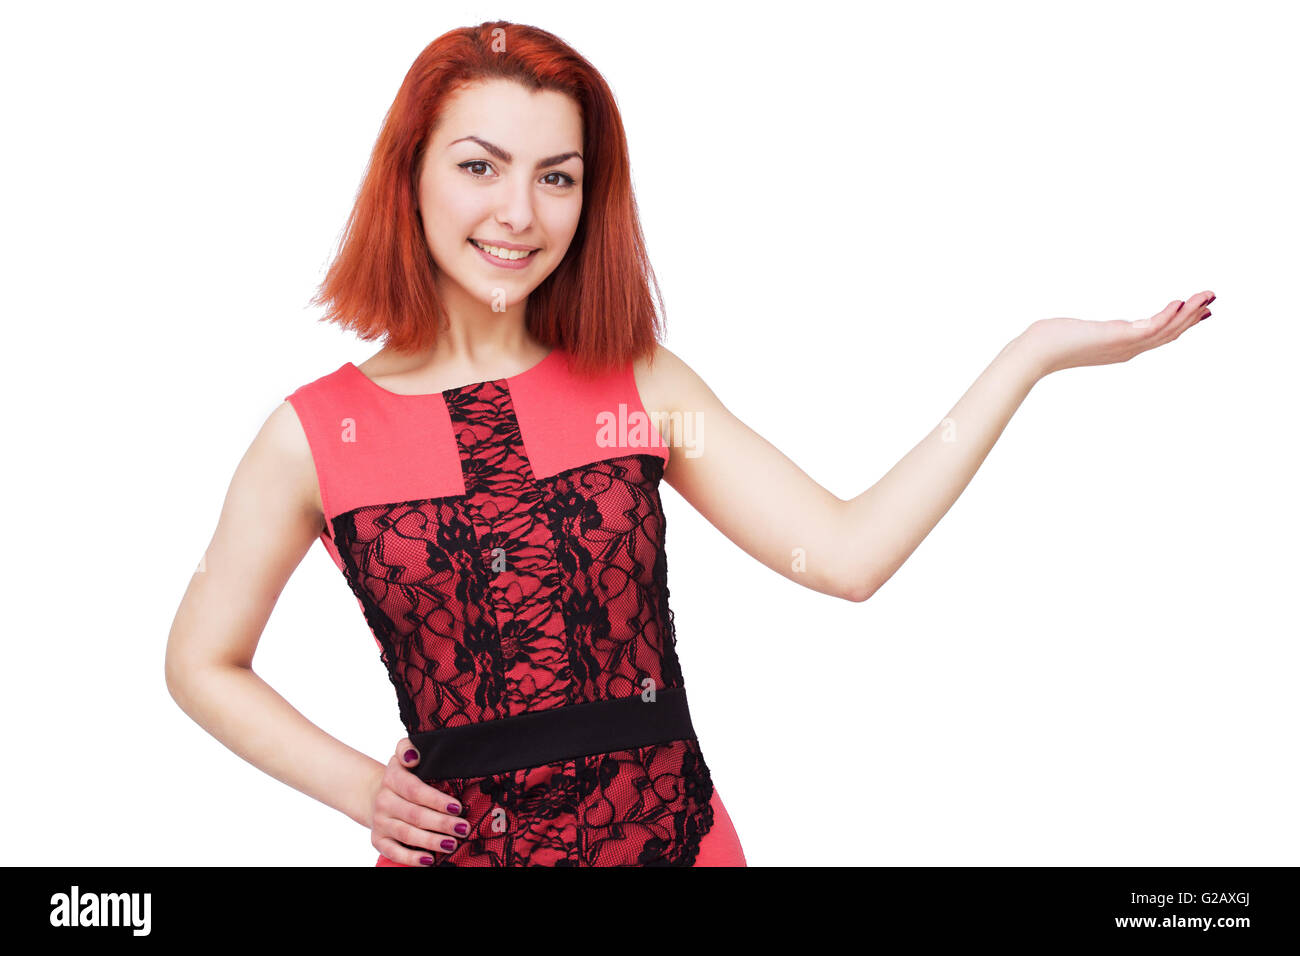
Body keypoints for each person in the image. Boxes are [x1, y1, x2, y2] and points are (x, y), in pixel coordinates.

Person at [164, 20, 1214, 867]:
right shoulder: (310, 433)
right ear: (412, 174)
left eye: (557, 176)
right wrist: (357, 786)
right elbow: (202, 660)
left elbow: (845, 556)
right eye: (480, 166)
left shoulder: (640, 385)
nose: (517, 212)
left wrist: (1026, 356)